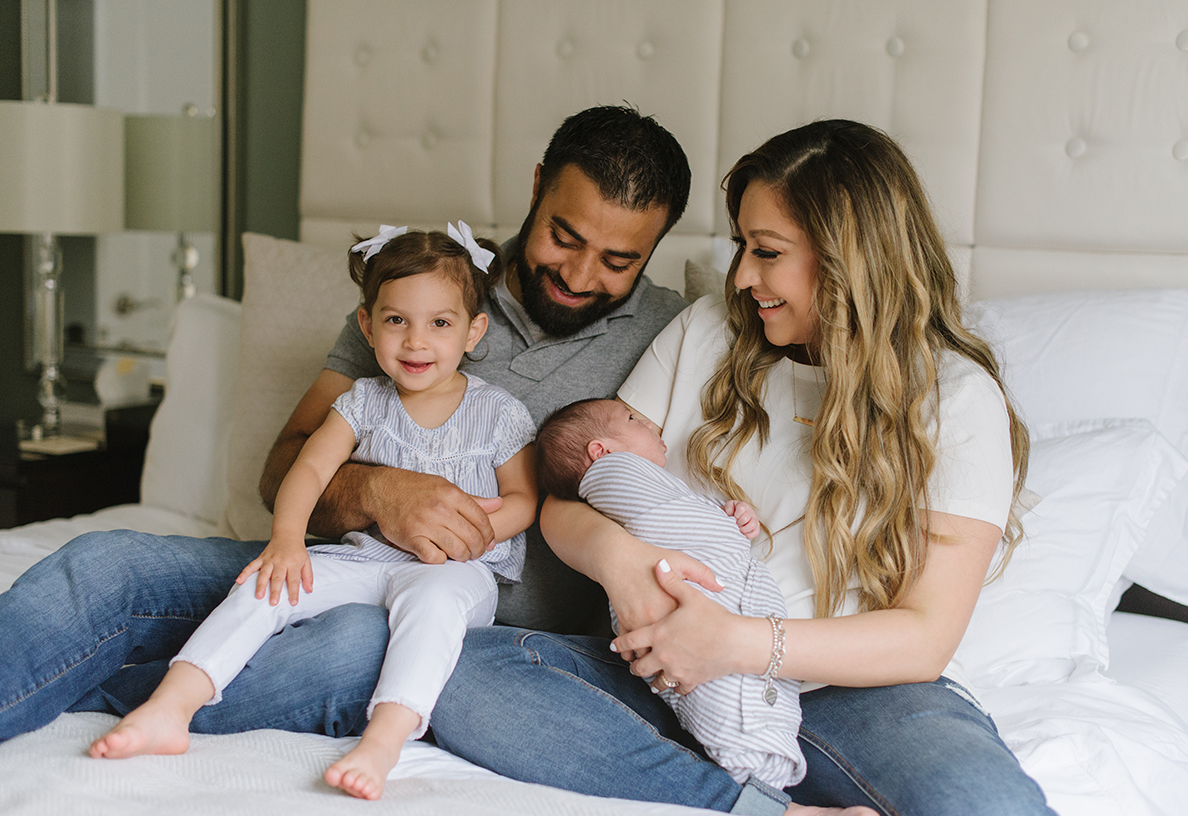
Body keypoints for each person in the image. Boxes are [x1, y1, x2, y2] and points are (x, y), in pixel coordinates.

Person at [0, 105, 689, 748]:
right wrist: (381, 492)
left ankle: (113, 690)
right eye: (563, 237)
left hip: (477, 622)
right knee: (105, 567)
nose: (579, 273)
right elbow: (284, 468)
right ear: (537, 187)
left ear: (655, 247)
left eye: (618, 260)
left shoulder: (671, 336)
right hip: (341, 559)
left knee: (348, 647)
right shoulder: (417, 294)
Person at [428, 120, 1055, 816]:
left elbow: (925, 637)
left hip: (849, 693)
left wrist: (732, 643)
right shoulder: (707, 332)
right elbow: (570, 497)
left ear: (847, 258)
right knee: (458, 671)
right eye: (743, 246)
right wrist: (621, 563)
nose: (742, 276)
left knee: (987, 804)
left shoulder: (954, 398)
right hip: (665, 671)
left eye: (767, 251)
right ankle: (754, 807)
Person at [86, 225, 538, 800]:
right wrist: (285, 542)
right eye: (397, 320)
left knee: (433, 604)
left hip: (455, 570)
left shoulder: (497, 413)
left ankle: (383, 740)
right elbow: (306, 471)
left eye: (440, 323)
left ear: (474, 331)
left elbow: (525, 499)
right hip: (367, 557)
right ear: (367, 324)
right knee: (265, 585)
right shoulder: (362, 402)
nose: (416, 341)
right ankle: (170, 707)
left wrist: (474, 536)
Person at [535, 398, 809, 794]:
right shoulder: (614, 473)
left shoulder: (641, 487)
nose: (650, 424)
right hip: (688, 609)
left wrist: (727, 514)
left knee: (732, 697)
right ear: (601, 451)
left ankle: (752, 782)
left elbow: (680, 515)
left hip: (737, 636)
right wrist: (720, 522)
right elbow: (670, 520)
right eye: (632, 419)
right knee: (728, 702)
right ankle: (757, 780)